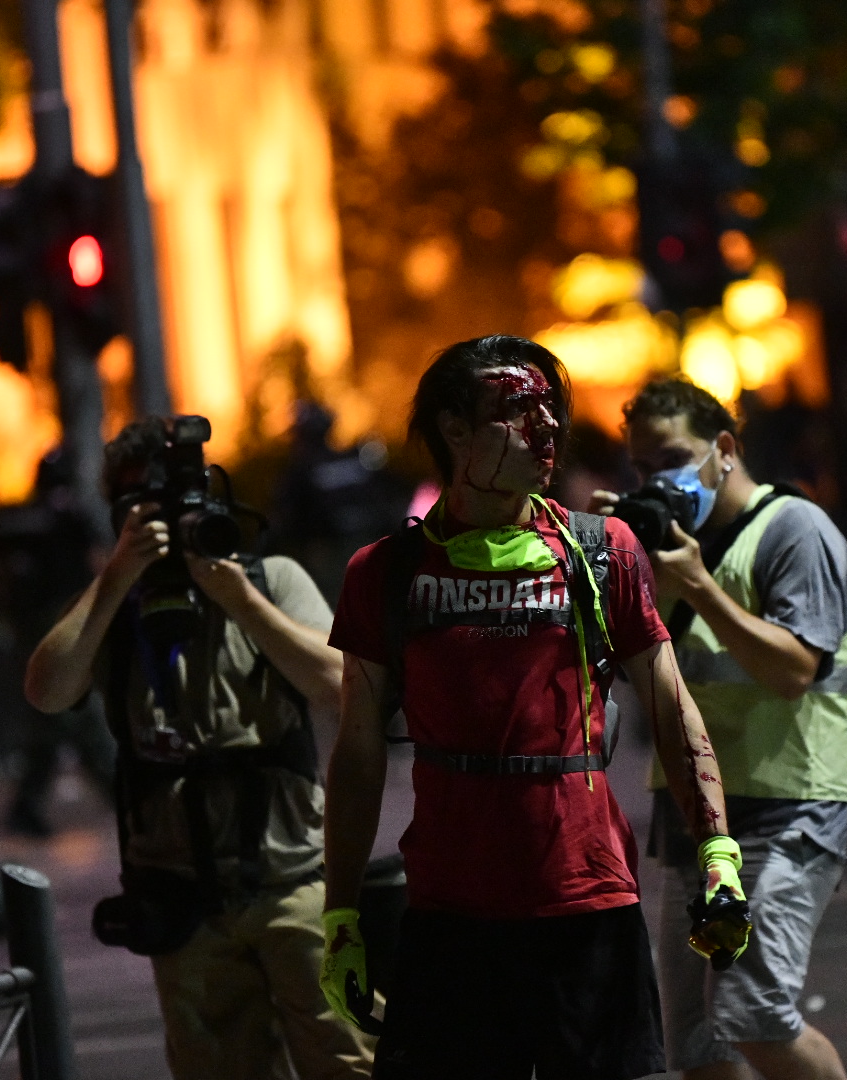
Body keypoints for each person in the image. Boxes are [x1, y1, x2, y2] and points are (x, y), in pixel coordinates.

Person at [319, 335, 746, 1080]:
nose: (547, 429)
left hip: (586, 905)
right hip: (451, 919)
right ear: (454, 429)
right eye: (518, 411)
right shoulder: (385, 575)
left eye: (551, 408)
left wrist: (717, 850)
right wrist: (340, 913)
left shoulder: (602, 551)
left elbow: (673, 710)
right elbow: (356, 754)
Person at [24, 417, 374, 1080]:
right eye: (141, 507)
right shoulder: (113, 606)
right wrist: (116, 576)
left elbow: (341, 686)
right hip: (183, 904)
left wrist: (240, 600)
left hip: (291, 883)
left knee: (349, 1063)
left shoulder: (269, 579)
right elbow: (46, 689)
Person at [595, 378, 847, 1080]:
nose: (659, 480)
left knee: (752, 1012)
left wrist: (700, 590)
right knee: (699, 1047)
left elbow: (795, 669)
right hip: (693, 820)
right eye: (644, 470)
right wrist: (605, 572)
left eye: (673, 458)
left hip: (789, 808)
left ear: (723, 448)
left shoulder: (794, 531)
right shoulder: (667, 548)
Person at [0, 448, 116, 838]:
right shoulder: (71, 517)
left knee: (50, 726)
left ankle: (25, 807)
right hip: (66, 628)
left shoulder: (16, 524)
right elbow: (98, 566)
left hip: (29, 636)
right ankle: (125, 800)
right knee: (81, 720)